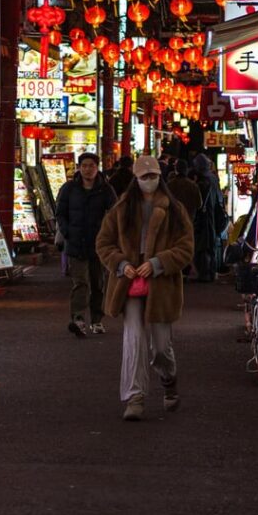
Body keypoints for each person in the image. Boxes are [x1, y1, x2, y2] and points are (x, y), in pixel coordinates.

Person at [97, 155, 194, 420]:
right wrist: (120, 264)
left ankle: (168, 378)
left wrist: (158, 263)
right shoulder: (121, 208)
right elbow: (104, 243)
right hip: (129, 282)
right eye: (144, 177)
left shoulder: (175, 210)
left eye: (153, 177)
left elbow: (186, 248)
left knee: (161, 345)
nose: (149, 182)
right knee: (134, 339)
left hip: (161, 283)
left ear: (160, 178)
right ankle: (134, 396)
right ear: (135, 179)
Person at [55, 152, 117, 337]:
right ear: (79, 167)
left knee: (98, 283)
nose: (88, 169)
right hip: (75, 243)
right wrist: (67, 232)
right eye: (84, 165)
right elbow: (60, 212)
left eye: (91, 165)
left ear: (97, 168)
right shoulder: (69, 188)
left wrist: (108, 236)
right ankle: (78, 319)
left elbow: (114, 214)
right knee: (80, 283)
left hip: (99, 245)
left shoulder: (105, 189)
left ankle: (97, 320)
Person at [191, 153, 225, 282]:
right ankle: (212, 271)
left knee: (202, 246)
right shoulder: (214, 179)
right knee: (211, 245)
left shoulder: (201, 181)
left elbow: (199, 202)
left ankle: (204, 273)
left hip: (204, 217)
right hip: (215, 215)